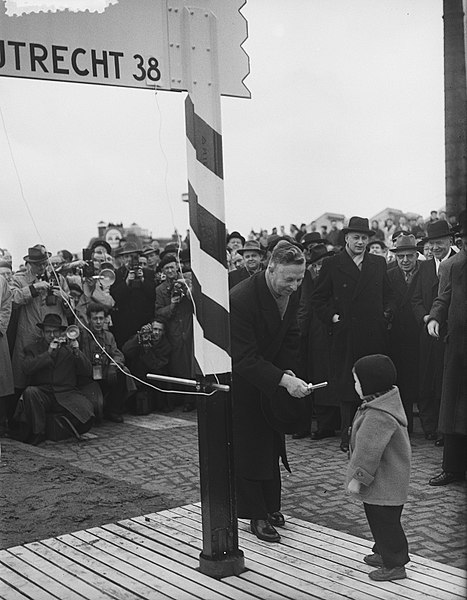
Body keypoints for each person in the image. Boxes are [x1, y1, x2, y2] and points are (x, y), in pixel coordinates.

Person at [230, 240, 311, 543]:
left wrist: (288, 372)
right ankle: (255, 514)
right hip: (245, 382)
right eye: (289, 279)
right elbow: (244, 357)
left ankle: (270, 506)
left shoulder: (290, 290)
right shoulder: (240, 300)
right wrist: (283, 380)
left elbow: (291, 334)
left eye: (300, 278)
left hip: (273, 378)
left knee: (272, 445)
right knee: (251, 448)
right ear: (271, 268)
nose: (295, 285)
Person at [310, 216, 393, 452]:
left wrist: (387, 314)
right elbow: (318, 299)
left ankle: (375, 434)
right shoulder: (332, 264)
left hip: (373, 333)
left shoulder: (378, 263)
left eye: (364, 238)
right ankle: (348, 434)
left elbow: (389, 295)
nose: (360, 242)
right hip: (346, 335)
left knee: (373, 384)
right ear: (346, 237)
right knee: (348, 386)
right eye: (355, 237)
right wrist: (333, 318)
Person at [346, 354, 410, 582]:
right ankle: (382, 551)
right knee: (380, 519)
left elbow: (369, 453)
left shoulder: (378, 416)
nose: (354, 386)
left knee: (386, 522)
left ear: (370, 384)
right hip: (386, 481)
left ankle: (395, 564)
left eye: (357, 381)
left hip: (382, 481)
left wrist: (358, 479)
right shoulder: (384, 404)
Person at [426, 214, 467, 486]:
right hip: (459, 348)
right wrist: (434, 317)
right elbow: (444, 297)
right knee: (454, 409)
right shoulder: (453, 265)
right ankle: (452, 468)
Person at [12, 313, 95, 445]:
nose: (51, 335)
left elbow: (87, 371)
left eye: (55, 331)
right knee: (30, 392)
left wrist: (77, 352)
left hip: (67, 393)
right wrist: (48, 353)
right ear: (42, 333)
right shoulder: (33, 348)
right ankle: (38, 433)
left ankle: (62, 429)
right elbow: (27, 368)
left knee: (87, 416)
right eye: (48, 332)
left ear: (62, 332)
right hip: (44, 393)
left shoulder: (69, 348)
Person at [411, 220, 457, 444]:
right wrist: (427, 317)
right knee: (427, 380)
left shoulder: (458, 263)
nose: (436, 247)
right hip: (428, 333)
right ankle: (430, 428)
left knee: (446, 382)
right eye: (432, 243)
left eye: (440, 242)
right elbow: (416, 299)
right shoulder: (425, 267)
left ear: (450, 240)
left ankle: (445, 431)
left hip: (452, 332)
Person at [11, 245, 70, 393]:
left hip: (54, 334)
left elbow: (70, 310)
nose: (42, 267)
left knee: (57, 373)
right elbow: (11, 299)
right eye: (38, 265)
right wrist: (33, 289)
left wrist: (65, 298)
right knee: (24, 376)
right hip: (30, 336)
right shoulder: (19, 279)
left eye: (45, 263)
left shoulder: (58, 279)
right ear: (29, 264)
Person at [296, 244, 339, 440]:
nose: (320, 267)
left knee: (335, 376)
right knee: (319, 375)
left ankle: (335, 422)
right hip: (316, 332)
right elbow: (307, 305)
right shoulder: (308, 278)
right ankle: (324, 424)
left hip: (334, 328)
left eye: (323, 263)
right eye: (317, 264)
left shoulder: (336, 273)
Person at [386, 234, 421, 433]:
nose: (405, 261)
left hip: (419, 334)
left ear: (417, 256)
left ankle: (426, 424)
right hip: (397, 336)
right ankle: (403, 426)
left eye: (409, 256)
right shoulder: (389, 274)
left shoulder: (425, 272)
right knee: (401, 381)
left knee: (419, 379)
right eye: (401, 257)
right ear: (396, 257)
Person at [79, 303, 136, 423]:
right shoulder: (82, 335)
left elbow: (117, 354)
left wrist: (113, 365)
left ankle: (113, 410)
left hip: (104, 374)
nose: (98, 322)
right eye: (95, 319)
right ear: (89, 319)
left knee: (123, 371)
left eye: (101, 318)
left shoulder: (108, 336)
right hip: (87, 377)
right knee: (96, 413)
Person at [110, 242, 156, 346]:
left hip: (143, 321)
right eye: (127, 256)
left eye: (133, 256)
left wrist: (143, 280)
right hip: (124, 324)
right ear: (122, 258)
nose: (130, 260)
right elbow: (115, 297)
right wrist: (126, 282)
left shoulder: (148, 273)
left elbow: (153, 294)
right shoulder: (117, 274)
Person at [123, 319, 172, 412]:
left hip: (155, 380)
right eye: (154, 329)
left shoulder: (166, 346)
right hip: (139, 377)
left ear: (164, 332)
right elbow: (126, 350)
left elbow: (156, 365)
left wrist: (147, 350)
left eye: (160, 330)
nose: (156, 333)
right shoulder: (141, 338)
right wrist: (138, 338)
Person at [0, 272, 14, 429]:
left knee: (1, 381)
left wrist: (1, 326)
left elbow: (6, 305)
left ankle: (2, 421)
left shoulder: (1, 281)